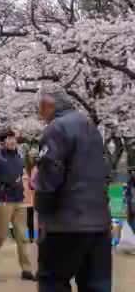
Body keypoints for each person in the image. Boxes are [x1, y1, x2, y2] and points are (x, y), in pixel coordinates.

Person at [36, 86, 112, 292]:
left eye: (40, 108)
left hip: (65, 223)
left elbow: (49, 177)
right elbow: (106, 172)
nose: (39, 114)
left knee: (53, 280)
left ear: (48, 105)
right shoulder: (91, 128)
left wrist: (42, 212)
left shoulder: (56, 128)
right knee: (96, 284)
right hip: (99, 222)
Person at [0, 130, 36, 281]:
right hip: (4, 199)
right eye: (8, 139)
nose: (12, 141)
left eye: (13, 138)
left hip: (18, 199)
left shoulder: (20, 156)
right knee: (1, 236)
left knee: (22, 235)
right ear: (3, 142)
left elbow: (22, 175)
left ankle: (26, 270)